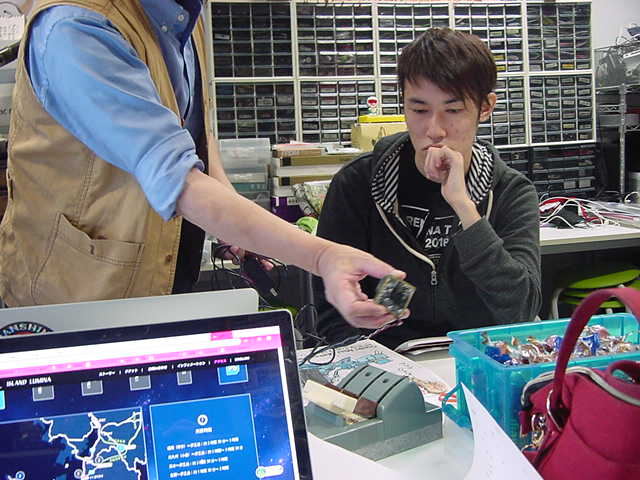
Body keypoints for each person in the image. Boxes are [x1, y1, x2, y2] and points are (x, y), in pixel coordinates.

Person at [0, 0, 406, 329]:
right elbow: (175, 174)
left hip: (159, 279)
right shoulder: (76, 27)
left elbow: (193, 133)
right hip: (78, 298)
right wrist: (321, 257)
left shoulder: (182, 15)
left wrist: (233, 219)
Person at [314, 28, 542, 349]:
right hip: (389, 359)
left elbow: (520, 309)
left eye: (453, 110)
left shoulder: (510, 191)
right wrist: (371, 364)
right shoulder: (357, 185)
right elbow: (332, 316)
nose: (434, 130)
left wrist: (465, 208)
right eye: (419, 110)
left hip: (479, 358)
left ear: (485, 107)